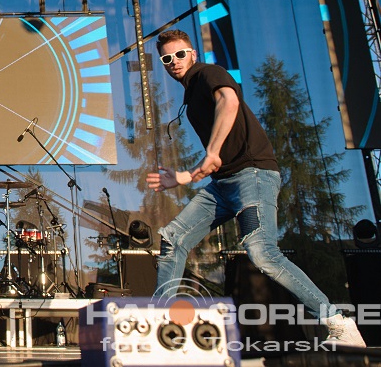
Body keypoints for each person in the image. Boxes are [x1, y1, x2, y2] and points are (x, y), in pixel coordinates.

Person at [146, 29, 365, 347]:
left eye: (180, 54)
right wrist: (185, 176)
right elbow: (215, 158)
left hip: (253, 176)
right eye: (167, 58)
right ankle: (158, 323)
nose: (174, 62)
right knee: (173, 238)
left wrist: (211, 152)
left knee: (262, 253)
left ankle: (338, 322)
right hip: (222, 185)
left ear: (193, 54)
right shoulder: (191, 96)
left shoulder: (208, 73)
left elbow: (229, 100)